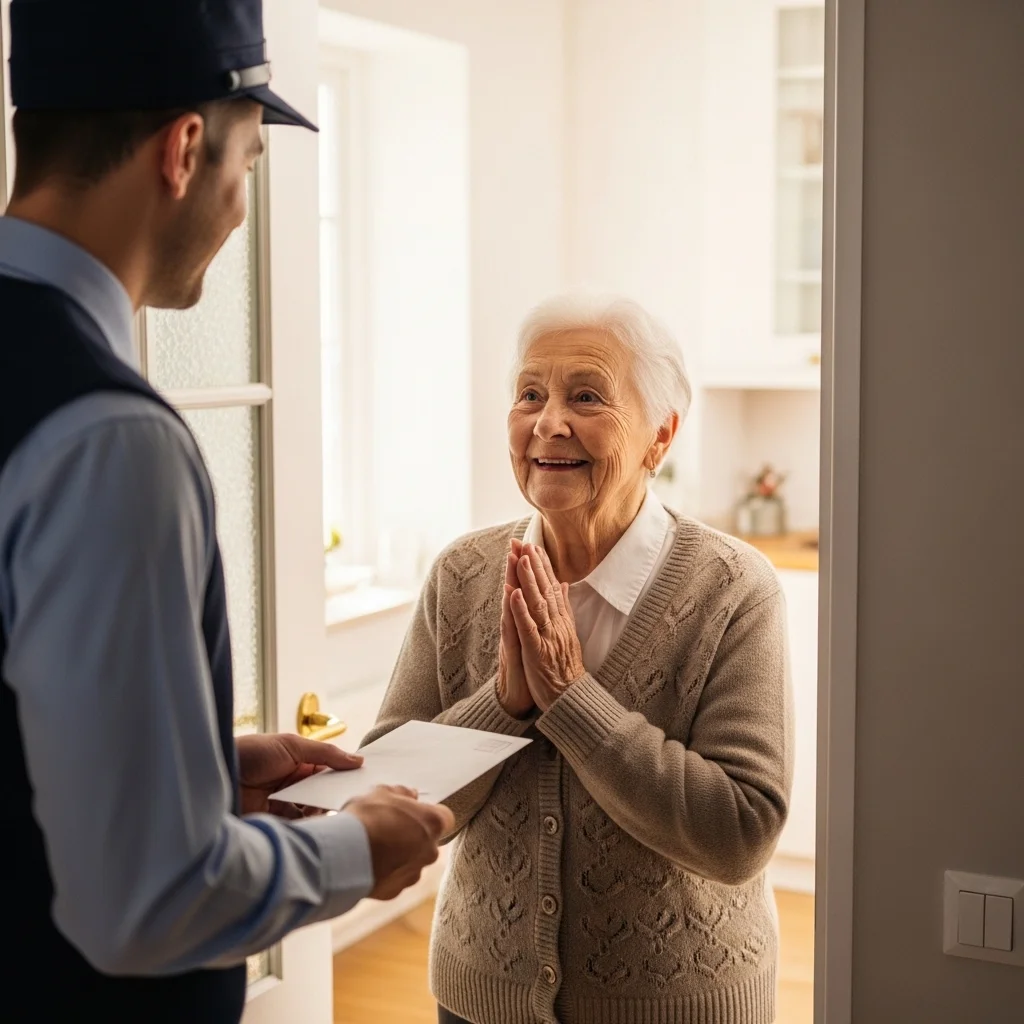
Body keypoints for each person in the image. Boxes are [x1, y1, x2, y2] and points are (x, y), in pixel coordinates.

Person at [0, 2, 453, 1021]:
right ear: (184, 149)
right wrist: (355, 846)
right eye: (249, 164)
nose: (242, 206)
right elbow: (143, 902)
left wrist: (190, 769)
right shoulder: (109, 440)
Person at [365, 294, 794, 1024]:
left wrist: (570, 699)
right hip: (481, 999)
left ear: (661, 437)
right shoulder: (462, 575)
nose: (548, 421)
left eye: (586, 396)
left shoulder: (734, 588)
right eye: (529, 394)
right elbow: (386, 791)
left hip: (677, 1004)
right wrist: (503, 706)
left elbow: (740, 832)